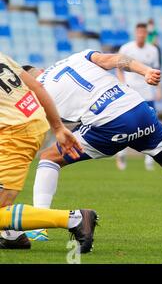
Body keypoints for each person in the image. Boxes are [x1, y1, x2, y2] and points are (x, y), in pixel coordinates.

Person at [24, 49, 162, 241]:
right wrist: (146, 71)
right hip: (138, 109)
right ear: (40, 69)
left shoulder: (35, 91)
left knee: (48, 158)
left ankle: (39, 224)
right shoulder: (78, 56)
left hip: (109, 123)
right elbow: (117, 59)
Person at [0, 52, 98, 252]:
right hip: (28, 122)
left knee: (1, 206)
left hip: (15, 132)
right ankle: (10, 235)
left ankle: (75, 219)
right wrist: (58, 127)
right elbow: (36, 86)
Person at [116, 23, 162, 171]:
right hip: (130, 92)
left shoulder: (153, 50)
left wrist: (158, 89)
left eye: (144, 32)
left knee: (151, 124)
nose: (141, 35)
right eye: (139, 32)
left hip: (148, 93)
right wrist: (122, 84)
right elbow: (119, 68)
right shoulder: (126, 49)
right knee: (125, 124)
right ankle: (121, 153)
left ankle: (150, 159)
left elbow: (156, 71)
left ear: (146, 34)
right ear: (136, 33)